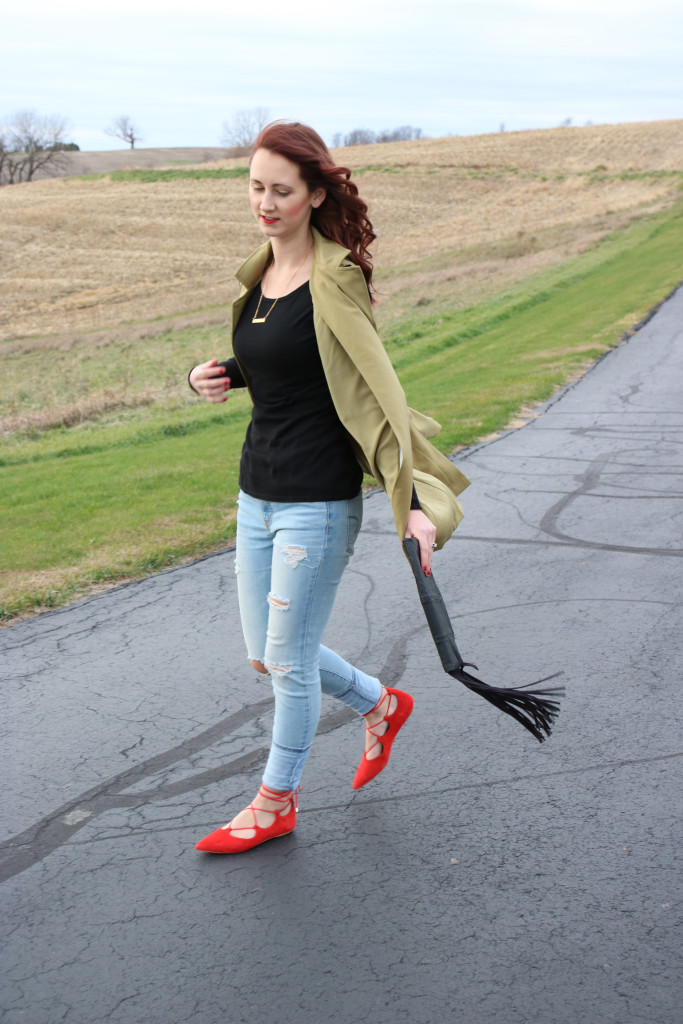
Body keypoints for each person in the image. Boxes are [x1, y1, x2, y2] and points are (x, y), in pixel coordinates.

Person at [189, 121, 469, 854]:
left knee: (286, 662)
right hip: (257, 494)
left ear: (314, 195)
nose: (265, 202)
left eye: (281, 190)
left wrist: (413, 507)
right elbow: (282, 360)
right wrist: (215, 373)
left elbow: (374, 394)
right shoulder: (260, 278)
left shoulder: (333, 278)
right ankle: (381, 704)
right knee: (272, 651)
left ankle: (274, 801)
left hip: (316, 499)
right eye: (256, 186)